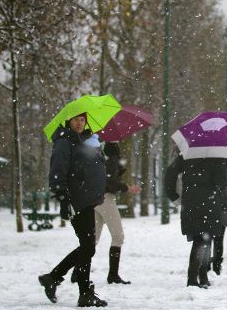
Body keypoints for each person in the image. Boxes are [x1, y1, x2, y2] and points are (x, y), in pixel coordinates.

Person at [38, 113, 108, 307]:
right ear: (68, 121)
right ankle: (83, 292)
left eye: (82, 120)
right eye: (76, 120)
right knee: (88, 246)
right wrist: (61, 195)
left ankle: (53, 278)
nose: (79, 123)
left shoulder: (86, 141)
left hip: (88, 199)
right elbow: (57, 169)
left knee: (87, 246)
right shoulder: (64, 141)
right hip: (75, 199)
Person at [71, 142, 141, 285]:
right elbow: (109, 181)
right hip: (105, 200)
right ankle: (113, 274)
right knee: (118, 236)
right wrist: (126, 187)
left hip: (94, 199)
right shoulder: (112, 157)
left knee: (92, 240)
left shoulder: (97, 154)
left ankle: (77, 271)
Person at [165, 155, 227, 289]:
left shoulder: (186, 154)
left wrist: (172, 195)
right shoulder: (218, 156)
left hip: (190, 201)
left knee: (202, 238)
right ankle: (193, 278)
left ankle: (203, 276)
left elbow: (170, 174)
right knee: (203, 239)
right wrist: (226, 166)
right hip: (210, 202)